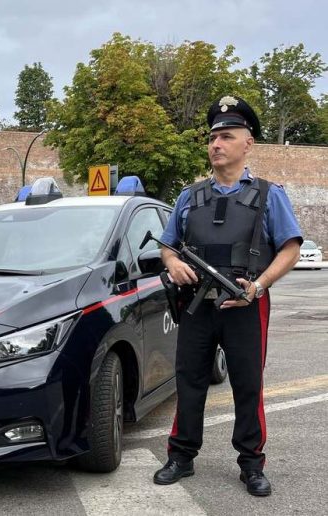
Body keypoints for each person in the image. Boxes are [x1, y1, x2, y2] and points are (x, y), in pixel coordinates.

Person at [153, 96, 302, 496]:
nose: (216, 144)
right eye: (213, 137)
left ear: (247, 143)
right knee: (189, 382)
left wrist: (259, 285)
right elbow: (168, 245)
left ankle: (251, 465)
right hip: (197, 305)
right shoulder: (189, 197)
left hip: (246, 305)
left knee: (248, 386)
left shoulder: (270, 195)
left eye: (226, 136)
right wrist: (171, 262)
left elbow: (290, 248)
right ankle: (181, 457)